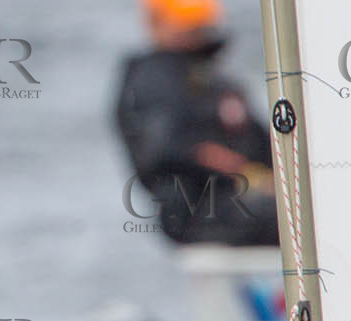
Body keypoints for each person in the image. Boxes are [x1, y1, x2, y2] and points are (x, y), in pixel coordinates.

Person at [113, 0, 280, 246]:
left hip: (238, 201)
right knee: (295, 218)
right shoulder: (154, 77)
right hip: (196, 211)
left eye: (198, 26)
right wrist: (252, 176)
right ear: (156, 25)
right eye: (188, 27)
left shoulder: (208, 77)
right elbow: (170, 147)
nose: (195, 34)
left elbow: (261, 141)